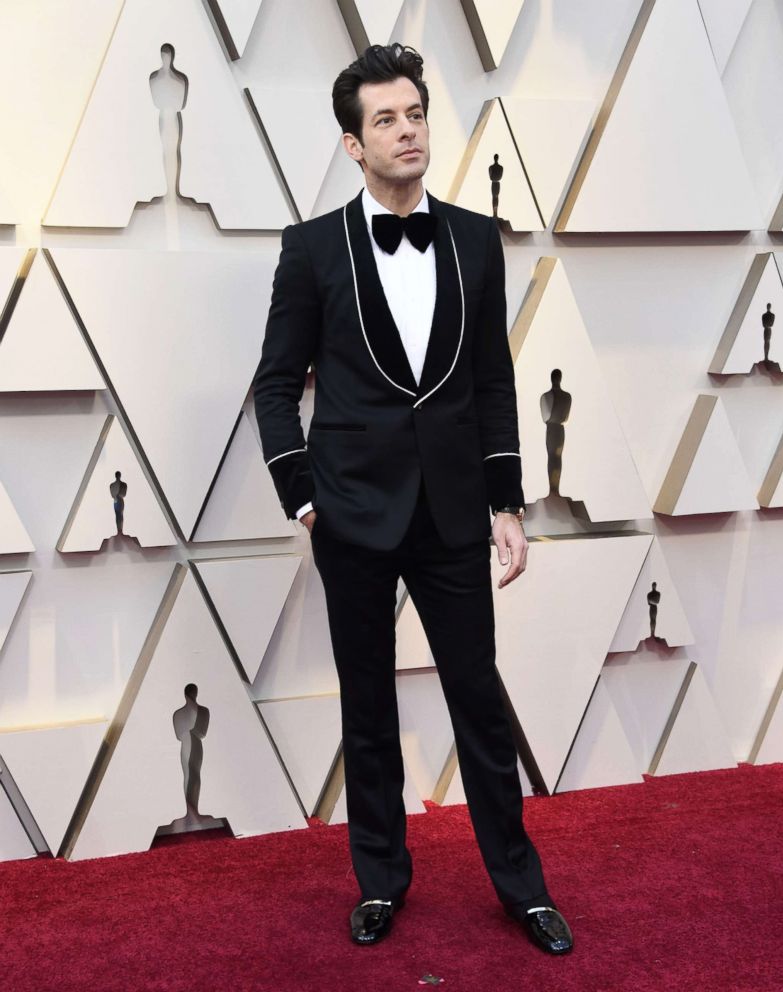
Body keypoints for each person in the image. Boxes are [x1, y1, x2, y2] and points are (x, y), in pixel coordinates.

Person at [252, 43, 572, 956]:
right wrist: (304, 501)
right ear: (353, 144)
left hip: (452, 511)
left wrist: (505, 502)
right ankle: (381, 882)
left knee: (478, 697)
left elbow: (492, 383)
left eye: (415, 114)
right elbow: (275, 386)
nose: (407, 131)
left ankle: (521, 885)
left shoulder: (474, 238)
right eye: (385, 119)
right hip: (350, 512)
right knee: (369, 707)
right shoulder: (311, 248)